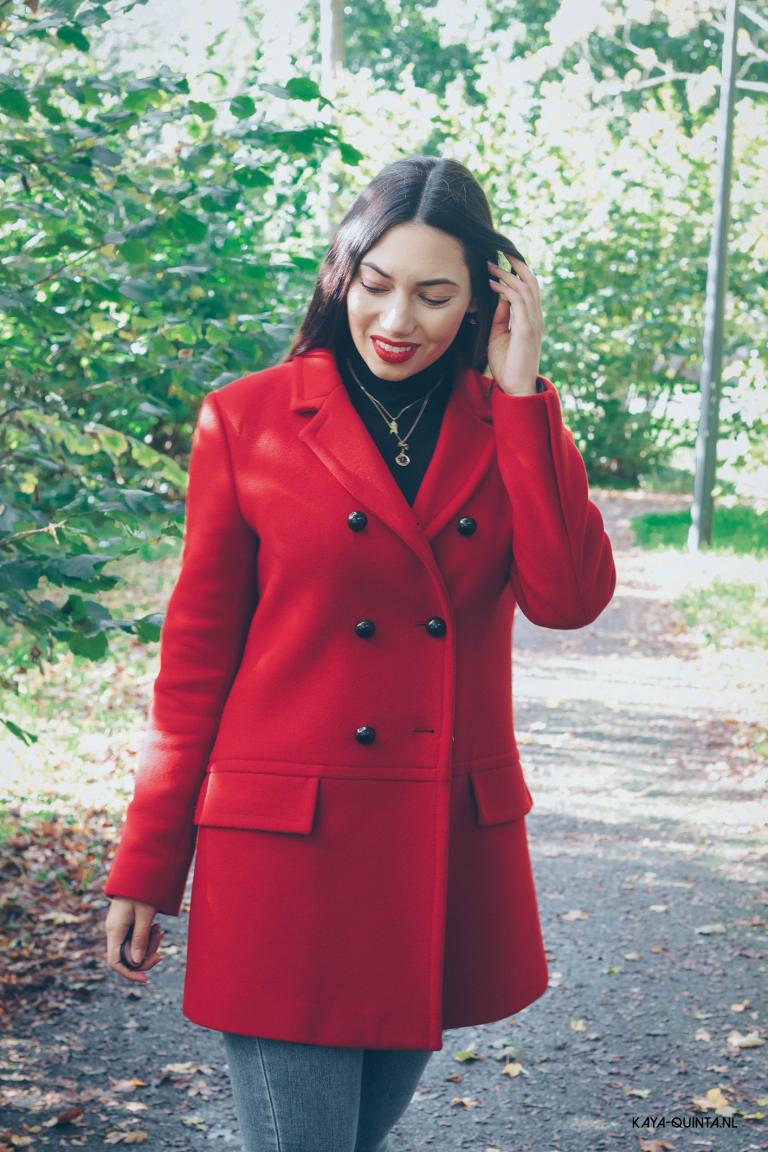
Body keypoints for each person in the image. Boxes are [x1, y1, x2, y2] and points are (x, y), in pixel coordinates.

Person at [104, 155, 616, 1151]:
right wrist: (147, 865)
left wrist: (521, 392)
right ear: (342, 273)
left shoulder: (505, 419)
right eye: (376, 285)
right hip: (288, 850)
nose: (396, 320)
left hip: (433, 850)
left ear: (483, 299)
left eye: (435, 295)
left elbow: (567, 598)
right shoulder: (248, 417)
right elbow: (197, 659)